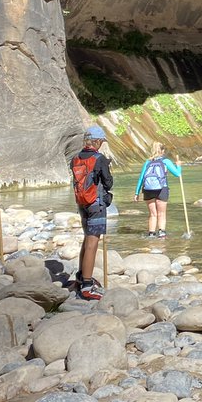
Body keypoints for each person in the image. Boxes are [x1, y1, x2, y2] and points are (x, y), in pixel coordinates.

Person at [70, 125, 114, 301]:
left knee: (87, 239)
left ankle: (81, 276)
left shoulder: (75, 158)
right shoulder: (99, 159)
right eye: (101, 142)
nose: (102, 145)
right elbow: (108, 183)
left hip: (82, 203)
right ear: (96, 141)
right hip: (96, 203)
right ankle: (87, 286)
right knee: (93, 242)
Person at [134, 142, 181, 238]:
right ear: (163, 151)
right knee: (161, 213)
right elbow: (177, 174)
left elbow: (141, 178)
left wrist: (136, 193)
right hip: (161, 189)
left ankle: (151, 234)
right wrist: (178, 165)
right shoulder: (165, 161)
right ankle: (161, 233)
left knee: (152, 214)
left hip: (148, 190)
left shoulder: (147, 162)